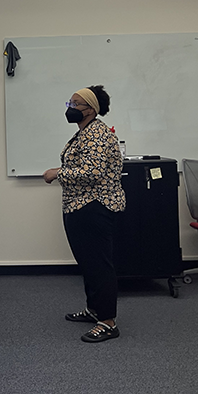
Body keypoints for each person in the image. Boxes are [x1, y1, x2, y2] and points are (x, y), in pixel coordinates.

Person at [42, 85, 126, 343]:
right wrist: (64, 168)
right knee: (89, 262)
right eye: (70, 102)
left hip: (95, 207)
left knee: (99, 265)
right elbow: (83, 165)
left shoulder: (97, 135)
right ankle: (94, 310)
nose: (70, 108)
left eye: (76, 104)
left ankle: (108, 322)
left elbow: (93, 173)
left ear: (91, 110)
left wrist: (57, 173)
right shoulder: (85, 133)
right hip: (80, 206)